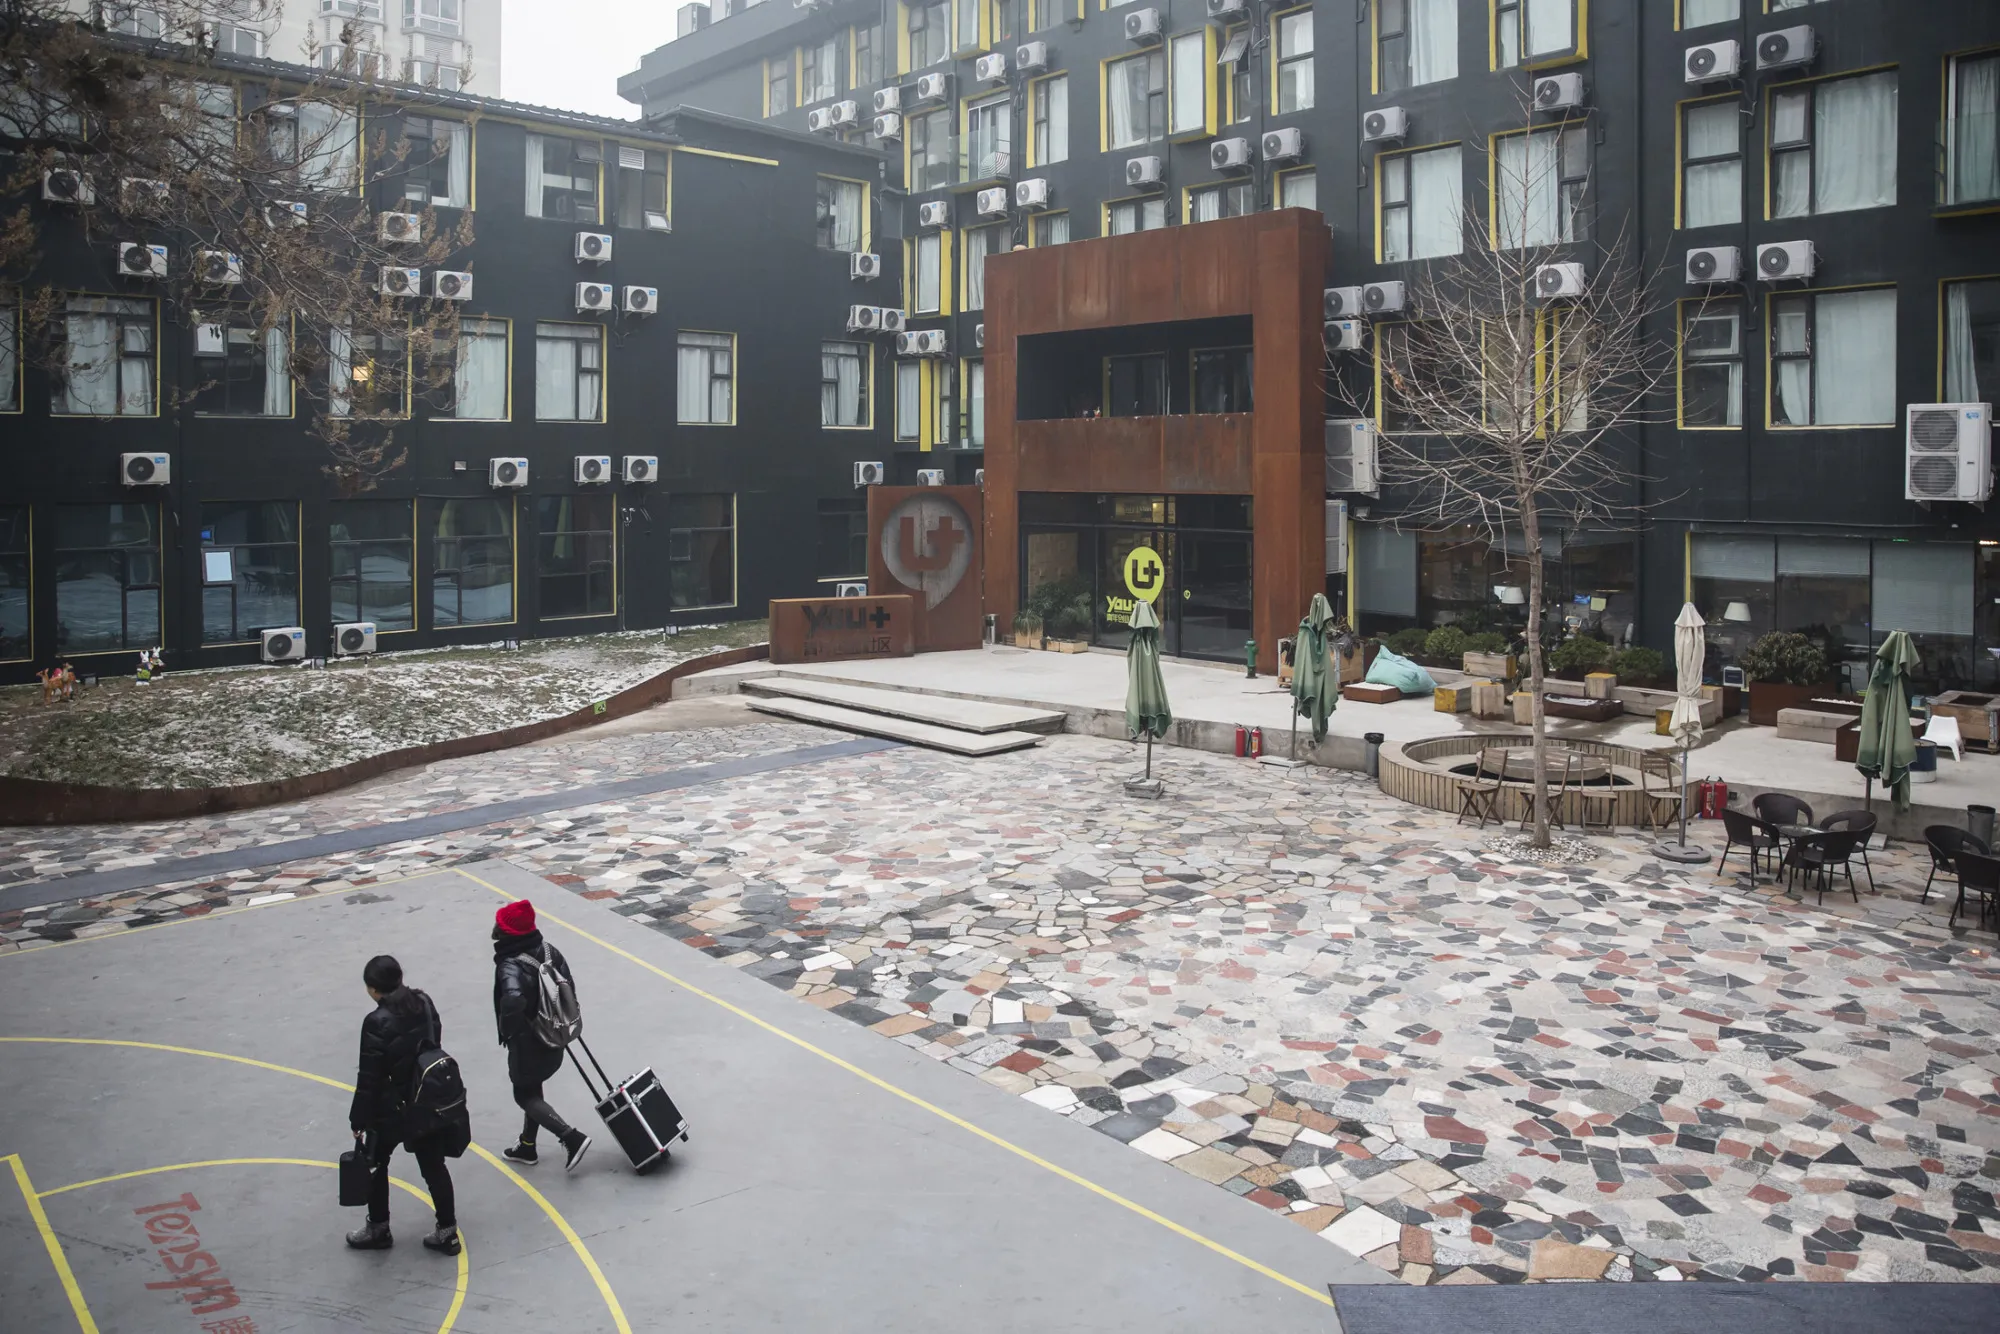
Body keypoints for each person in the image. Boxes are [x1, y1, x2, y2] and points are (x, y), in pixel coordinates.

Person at [346, 955, 462, 1255]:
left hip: (392, 1108)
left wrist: (358, 1119)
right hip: (426, 1099)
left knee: (376, 1162)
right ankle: (448, 1232)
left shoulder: (375, 1022)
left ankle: (378, 1228)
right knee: (434, 1166)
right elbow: (434, 1042)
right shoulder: (423, 1001)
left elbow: (369, 1077)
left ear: (373, 989)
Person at [491, 900, 592, 1171]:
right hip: (554, 1035)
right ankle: (527, 1145)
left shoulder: (509, 964)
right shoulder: (549, 951)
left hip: (529, 1043)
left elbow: (512, 1000)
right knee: (533, 1087)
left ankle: (571, 1137)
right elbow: (568, 987)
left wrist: (508, 1031)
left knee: (524, 1095)